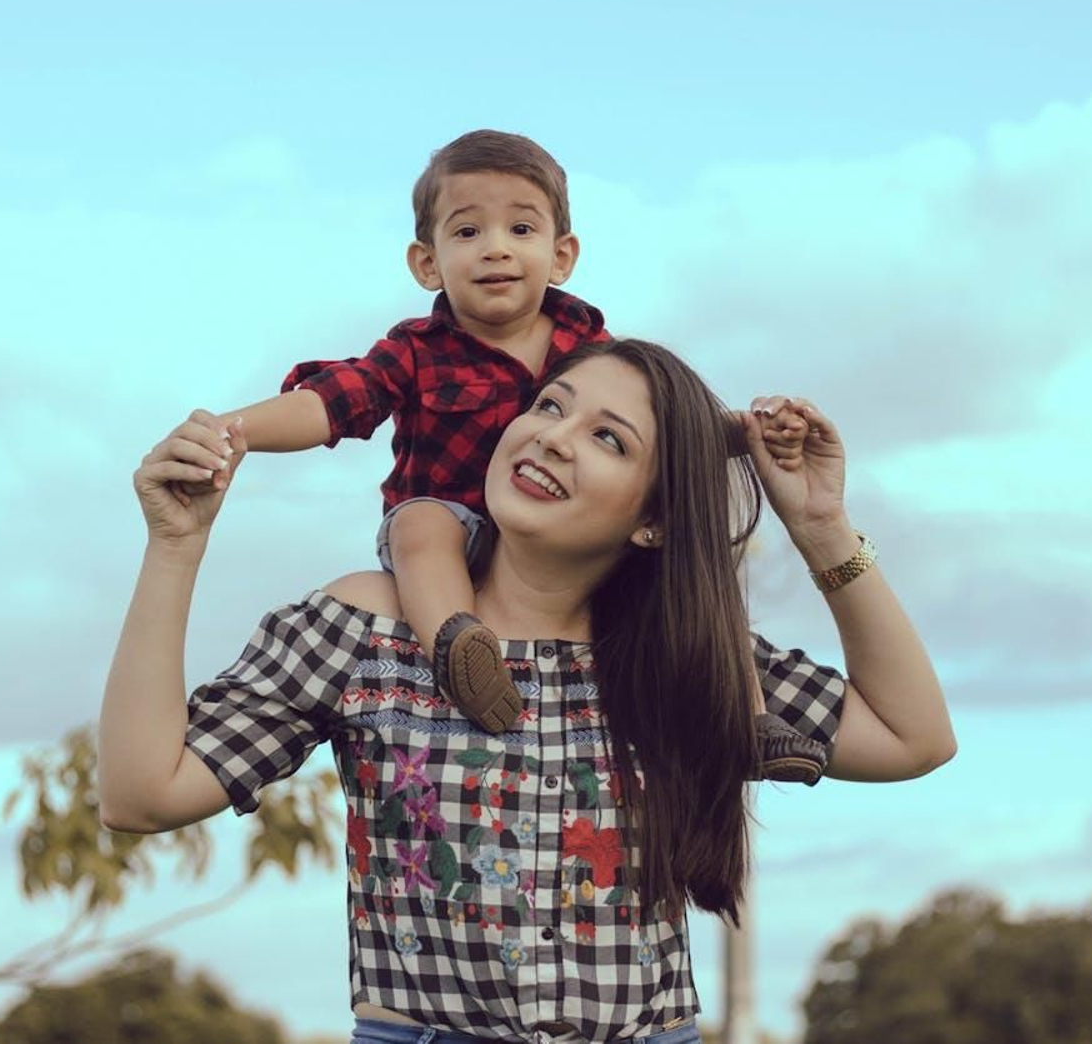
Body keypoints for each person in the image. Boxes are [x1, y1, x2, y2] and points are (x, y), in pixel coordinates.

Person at [98, 338, 956, 1042]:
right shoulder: (367, 624)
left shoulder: (683, 656)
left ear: (652, 518)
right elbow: (142, 791)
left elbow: (913, 737)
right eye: (550, 406)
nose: (552, 436)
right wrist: (175, 547)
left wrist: (820, 529)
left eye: (608, 438)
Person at [203, 129, 814, 778]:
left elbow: (656, 421)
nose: (495, 248)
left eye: (520, 229)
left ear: (561, 254)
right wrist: (230, 431)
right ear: (427, 264)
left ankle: (748, 718)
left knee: (688, 564)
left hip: (557, 539)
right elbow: (331, 402)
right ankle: (459, 649)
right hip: (454, 533)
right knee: (417, 523)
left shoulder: (587, 343)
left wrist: (748, 432)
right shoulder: (415, 351)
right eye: (467, 233)